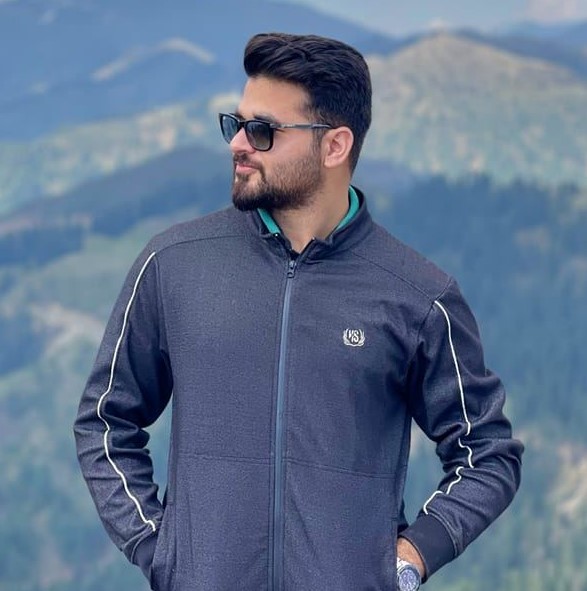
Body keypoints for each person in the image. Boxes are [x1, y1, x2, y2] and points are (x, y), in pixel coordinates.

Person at [74, 32, 523, 591]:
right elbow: (105, 421)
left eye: (263, 130)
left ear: (334, 146)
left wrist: (408, 561)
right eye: (236, 124)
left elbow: (487, 454)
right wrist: (162, 551)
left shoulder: (417, 295)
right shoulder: (172, 265)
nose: (239, 144)